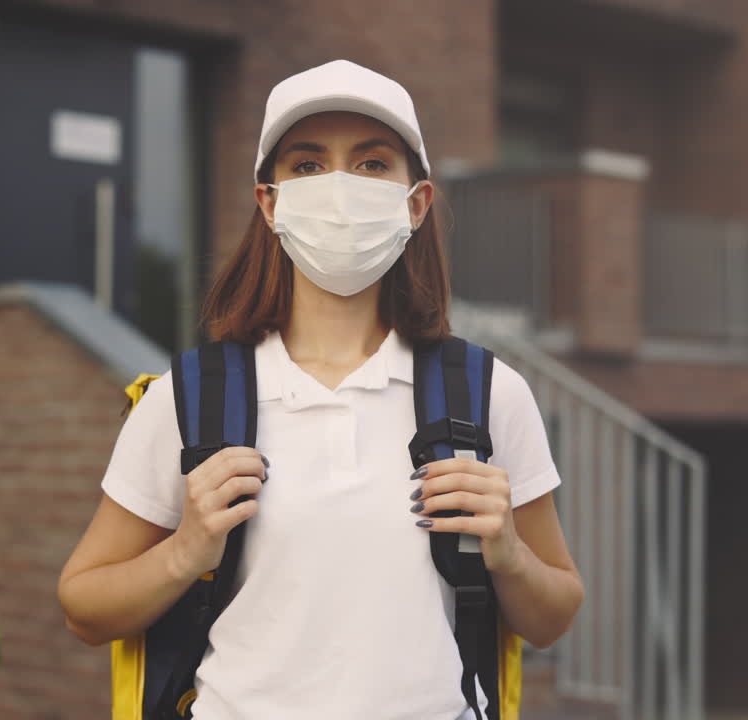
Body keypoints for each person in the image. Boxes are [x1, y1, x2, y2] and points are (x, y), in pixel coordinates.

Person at [59, 59, 584, 719]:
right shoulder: (189, 397)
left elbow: (553, 614)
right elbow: (84, 606)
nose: (339, 187)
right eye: (308, 165)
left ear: (416, 202)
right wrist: (186, 550)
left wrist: (507, 551)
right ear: (269, 202)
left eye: (370, 164)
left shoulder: (487, 394)